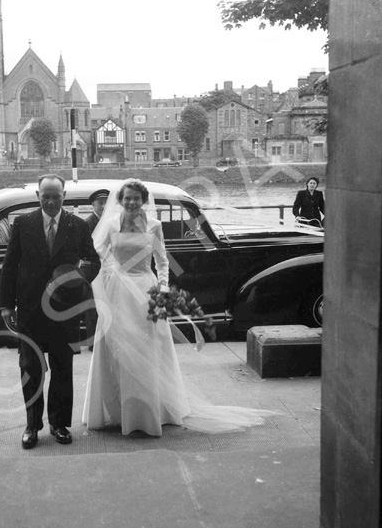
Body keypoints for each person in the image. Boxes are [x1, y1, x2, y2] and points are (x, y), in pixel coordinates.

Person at [83, 179, 274, 437]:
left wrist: (162, 286)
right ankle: (118, 411)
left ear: (143, 201)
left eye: (136, 199)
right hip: (118, 292)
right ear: (120, 200)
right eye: (127, 198)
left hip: (146, 290)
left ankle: (152, 411)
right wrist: (110, 278)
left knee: (148, 346)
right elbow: (101, 256)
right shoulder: (110, 226)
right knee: (115, 349)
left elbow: (162, 262)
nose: (131, 202)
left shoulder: (154, 226)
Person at [0, 174, 101, 449]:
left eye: (57, 196)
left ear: (64, 196)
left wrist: (76, 280)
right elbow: (9, 266)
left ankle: (59, 424)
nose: (52, 201)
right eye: (46, 196)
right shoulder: (22, 224)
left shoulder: (77, 226)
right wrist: (6, 304)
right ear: (38, 196)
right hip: (30, 311)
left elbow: (92, 260)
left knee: (62, 368)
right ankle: (32, 425)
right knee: (30, 369)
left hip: (64, 312)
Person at [84, 189, 109, 349]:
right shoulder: (88, 223)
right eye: (100, 202)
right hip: (93, 269)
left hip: (109, 269)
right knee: (93, 305)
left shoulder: (112, 221)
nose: (103, 206)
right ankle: (94, 342)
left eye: (106, 202)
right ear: (93, 204)